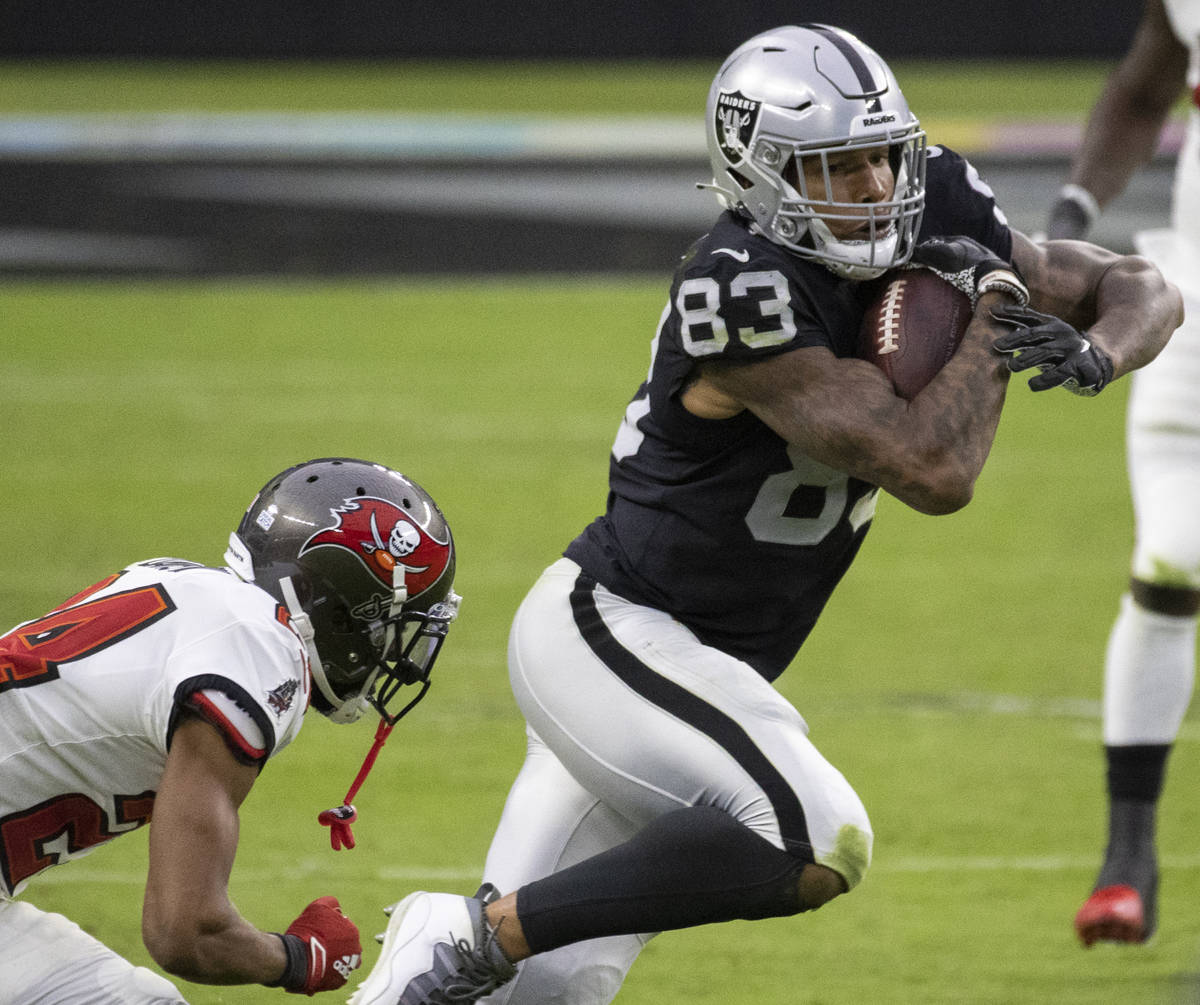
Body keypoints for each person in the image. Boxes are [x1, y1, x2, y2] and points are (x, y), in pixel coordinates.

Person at [349, 24, 1183, 1005]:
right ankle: (473, 933)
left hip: (692, 671)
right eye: (837, 166)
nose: (877, 186)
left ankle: (462, 955)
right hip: (615, 634)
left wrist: (1102, 353)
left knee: (537, 999)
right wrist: (993, 304)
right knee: (813, 832)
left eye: (883, 154)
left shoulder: (932, 201)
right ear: (763, 174)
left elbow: (1141, 283)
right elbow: (931, 469)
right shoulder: (736, 284)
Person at [0, 456, 460, 1003]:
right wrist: (298, 958)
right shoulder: (260, 649)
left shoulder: (180, 582)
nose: (392, 654)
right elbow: (185, 932)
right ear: (337, 605)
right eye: (387, 624)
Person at [1043, 0, 1200, 948]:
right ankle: (1126, 859)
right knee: (1172, 557)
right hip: (1196, 308)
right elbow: (1144, 86)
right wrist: (1073, 211)